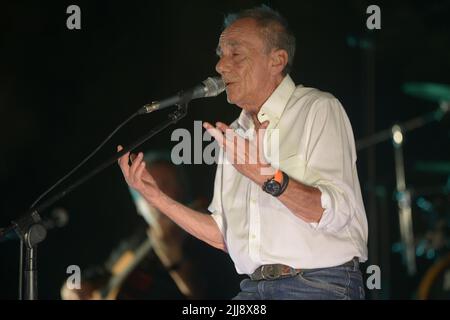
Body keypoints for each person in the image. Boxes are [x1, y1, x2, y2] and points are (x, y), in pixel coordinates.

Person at [118, 5, 368, 300]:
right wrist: (158, 199)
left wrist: (265, 175)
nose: (220, 66)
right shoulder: (235, 133)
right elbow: (225, 234)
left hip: (316, 284)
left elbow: (335, 212)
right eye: (220, 55)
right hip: (254, 289)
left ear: (277, 60)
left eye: (235, 54)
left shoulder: (317, 109)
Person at [62, 151, 237, 300]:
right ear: (138, 206)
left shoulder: (209, 237)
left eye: (166, 184)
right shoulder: (135, 241)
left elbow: (208, 297)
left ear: (182, 190)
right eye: (147, 187)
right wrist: (72, 286)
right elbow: (101, 274)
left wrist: (172, 257)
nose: (157, 193)